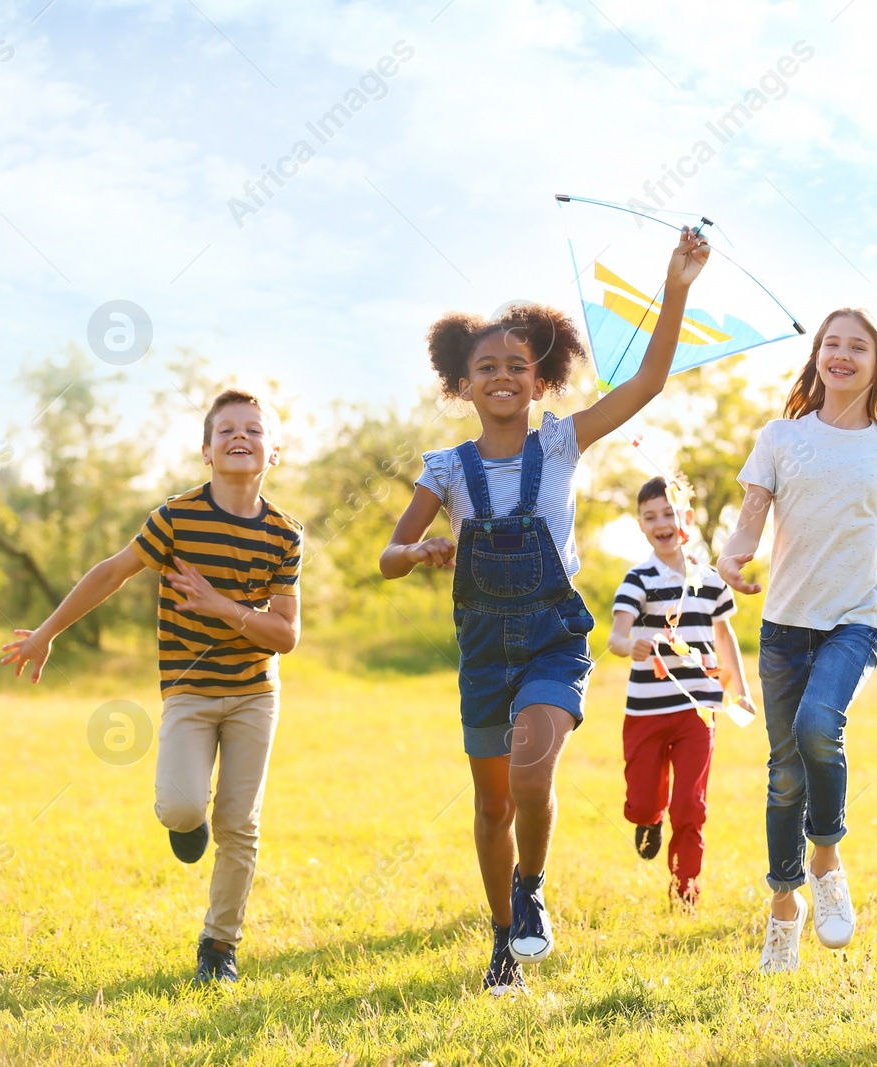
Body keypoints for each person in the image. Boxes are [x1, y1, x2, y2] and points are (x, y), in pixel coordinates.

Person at [379, 229, 709, 994]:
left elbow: (648, 384)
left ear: (539, 382)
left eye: (516, 368)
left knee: (531, 774)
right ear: (463, 383)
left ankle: (532, 889)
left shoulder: (561, 445)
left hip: (555, 641)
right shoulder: (445, 468)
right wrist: (421, 552)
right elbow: (387, 557)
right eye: (485, 367)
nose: (501, 377)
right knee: (491, 805)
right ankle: (502, 938)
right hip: (484, 649)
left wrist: (677, 286)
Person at [1, 390, 302, 985]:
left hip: (254, 693)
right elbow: (112, 572)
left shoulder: (284, 535)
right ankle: (187, 826)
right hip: (189, 694)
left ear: (274, 452)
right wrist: (47, 632)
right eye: (227, 431)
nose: (240, 437)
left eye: (254, 430)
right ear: (206, 452)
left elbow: (286, 635)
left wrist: (221, 606)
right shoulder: (176, 518)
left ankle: (219, 948)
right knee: (184, 807)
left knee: (240, 823)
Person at [719, 307, 877, 975]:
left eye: (857, 347)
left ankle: (826, 857)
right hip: (785, 625)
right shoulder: (781, 437)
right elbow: (751, 514)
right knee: (785, 775)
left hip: (855, 620)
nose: (841, 354)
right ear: (816, 356)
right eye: (831, 344)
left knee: (821, 725)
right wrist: (735, 556)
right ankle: (784, 908)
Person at [607, 475, 754, 909]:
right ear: (640, 525)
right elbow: (616, 634)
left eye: (668, 513)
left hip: (698, 709)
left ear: (685, 518)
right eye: (650, 516)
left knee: (690, 802)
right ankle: (646, 818)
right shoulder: (639, 579)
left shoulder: (710, 580)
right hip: (647, 711)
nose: (661, 522)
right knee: (643, 797)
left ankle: (685, 886)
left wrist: (741, 691)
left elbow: (725, 638)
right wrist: (627, 645)